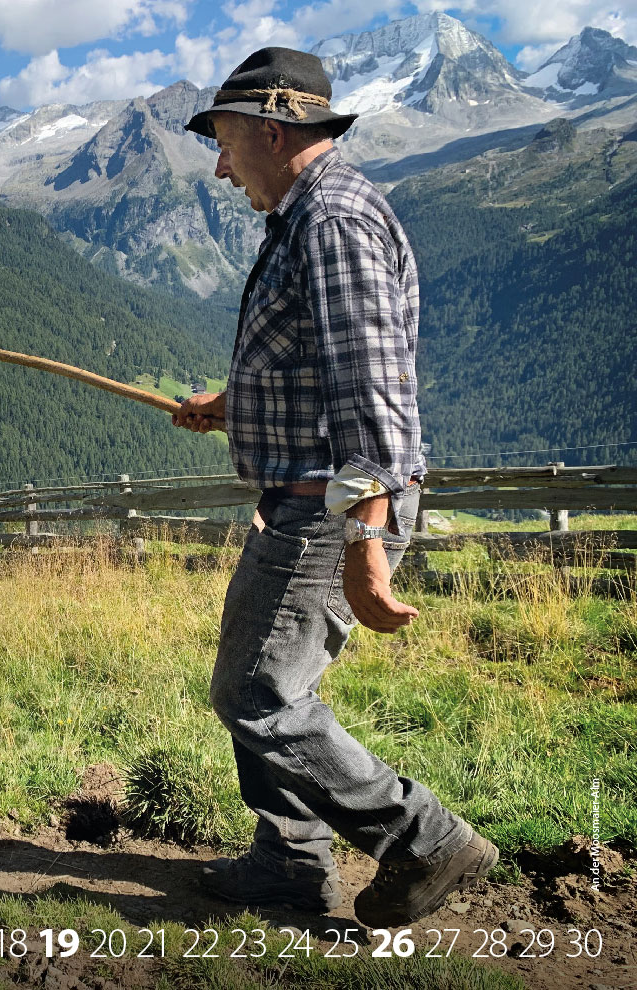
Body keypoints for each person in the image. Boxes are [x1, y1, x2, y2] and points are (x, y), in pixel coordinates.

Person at [171, 47, 496, 927]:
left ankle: (424, 840)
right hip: (306, 500)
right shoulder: (308, 216)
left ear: (272, 132)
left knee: (257, 695)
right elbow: (315, 359)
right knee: (256, 678)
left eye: (227, 140)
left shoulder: (334, 223)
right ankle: (288, 861)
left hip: (331, 507)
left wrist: (365, 539)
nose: (220, 162)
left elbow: (371, 400)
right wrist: (232, 403)